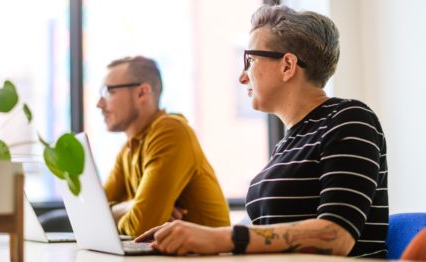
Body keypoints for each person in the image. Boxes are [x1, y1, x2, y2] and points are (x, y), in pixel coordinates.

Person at [135, 5, 388, 259]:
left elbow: (337, 236)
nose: (242, 77)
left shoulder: (350, 119)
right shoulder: (287, 145)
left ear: (287, 65)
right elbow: (264, 236)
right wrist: (193, 235)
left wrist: (219, 237)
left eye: (250, 61)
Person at [96, 56, 231, 238]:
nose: (99, 104)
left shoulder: (170, 131)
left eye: (108, 92)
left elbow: (140, 228)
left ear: (142, 93)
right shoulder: (128, 149)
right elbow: (93, 216)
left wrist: (117, 213)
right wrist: (132, 206)